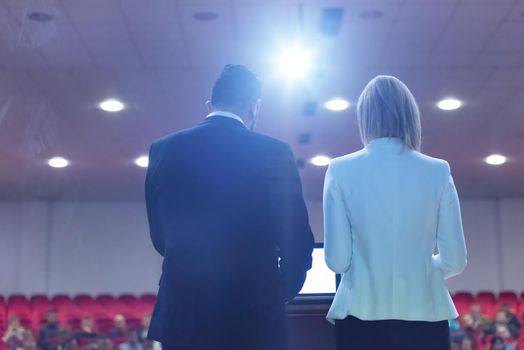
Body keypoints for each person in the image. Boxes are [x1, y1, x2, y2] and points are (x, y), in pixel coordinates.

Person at [145, 64, 314, 350]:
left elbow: (160, 236)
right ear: (254, 106)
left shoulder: (163, 149)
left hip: (185, 310)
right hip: (254, 307)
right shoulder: (274, 151)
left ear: (209, 104)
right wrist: (278, 290)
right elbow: (295, 237)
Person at [323, 75, 467, 350]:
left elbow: (338, 261)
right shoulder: (438, 171)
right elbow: (455, 261)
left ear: (364, 117)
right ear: (410, 115)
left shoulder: (340, 169)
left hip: (360, 315)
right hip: (425, 314)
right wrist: (421, 267)